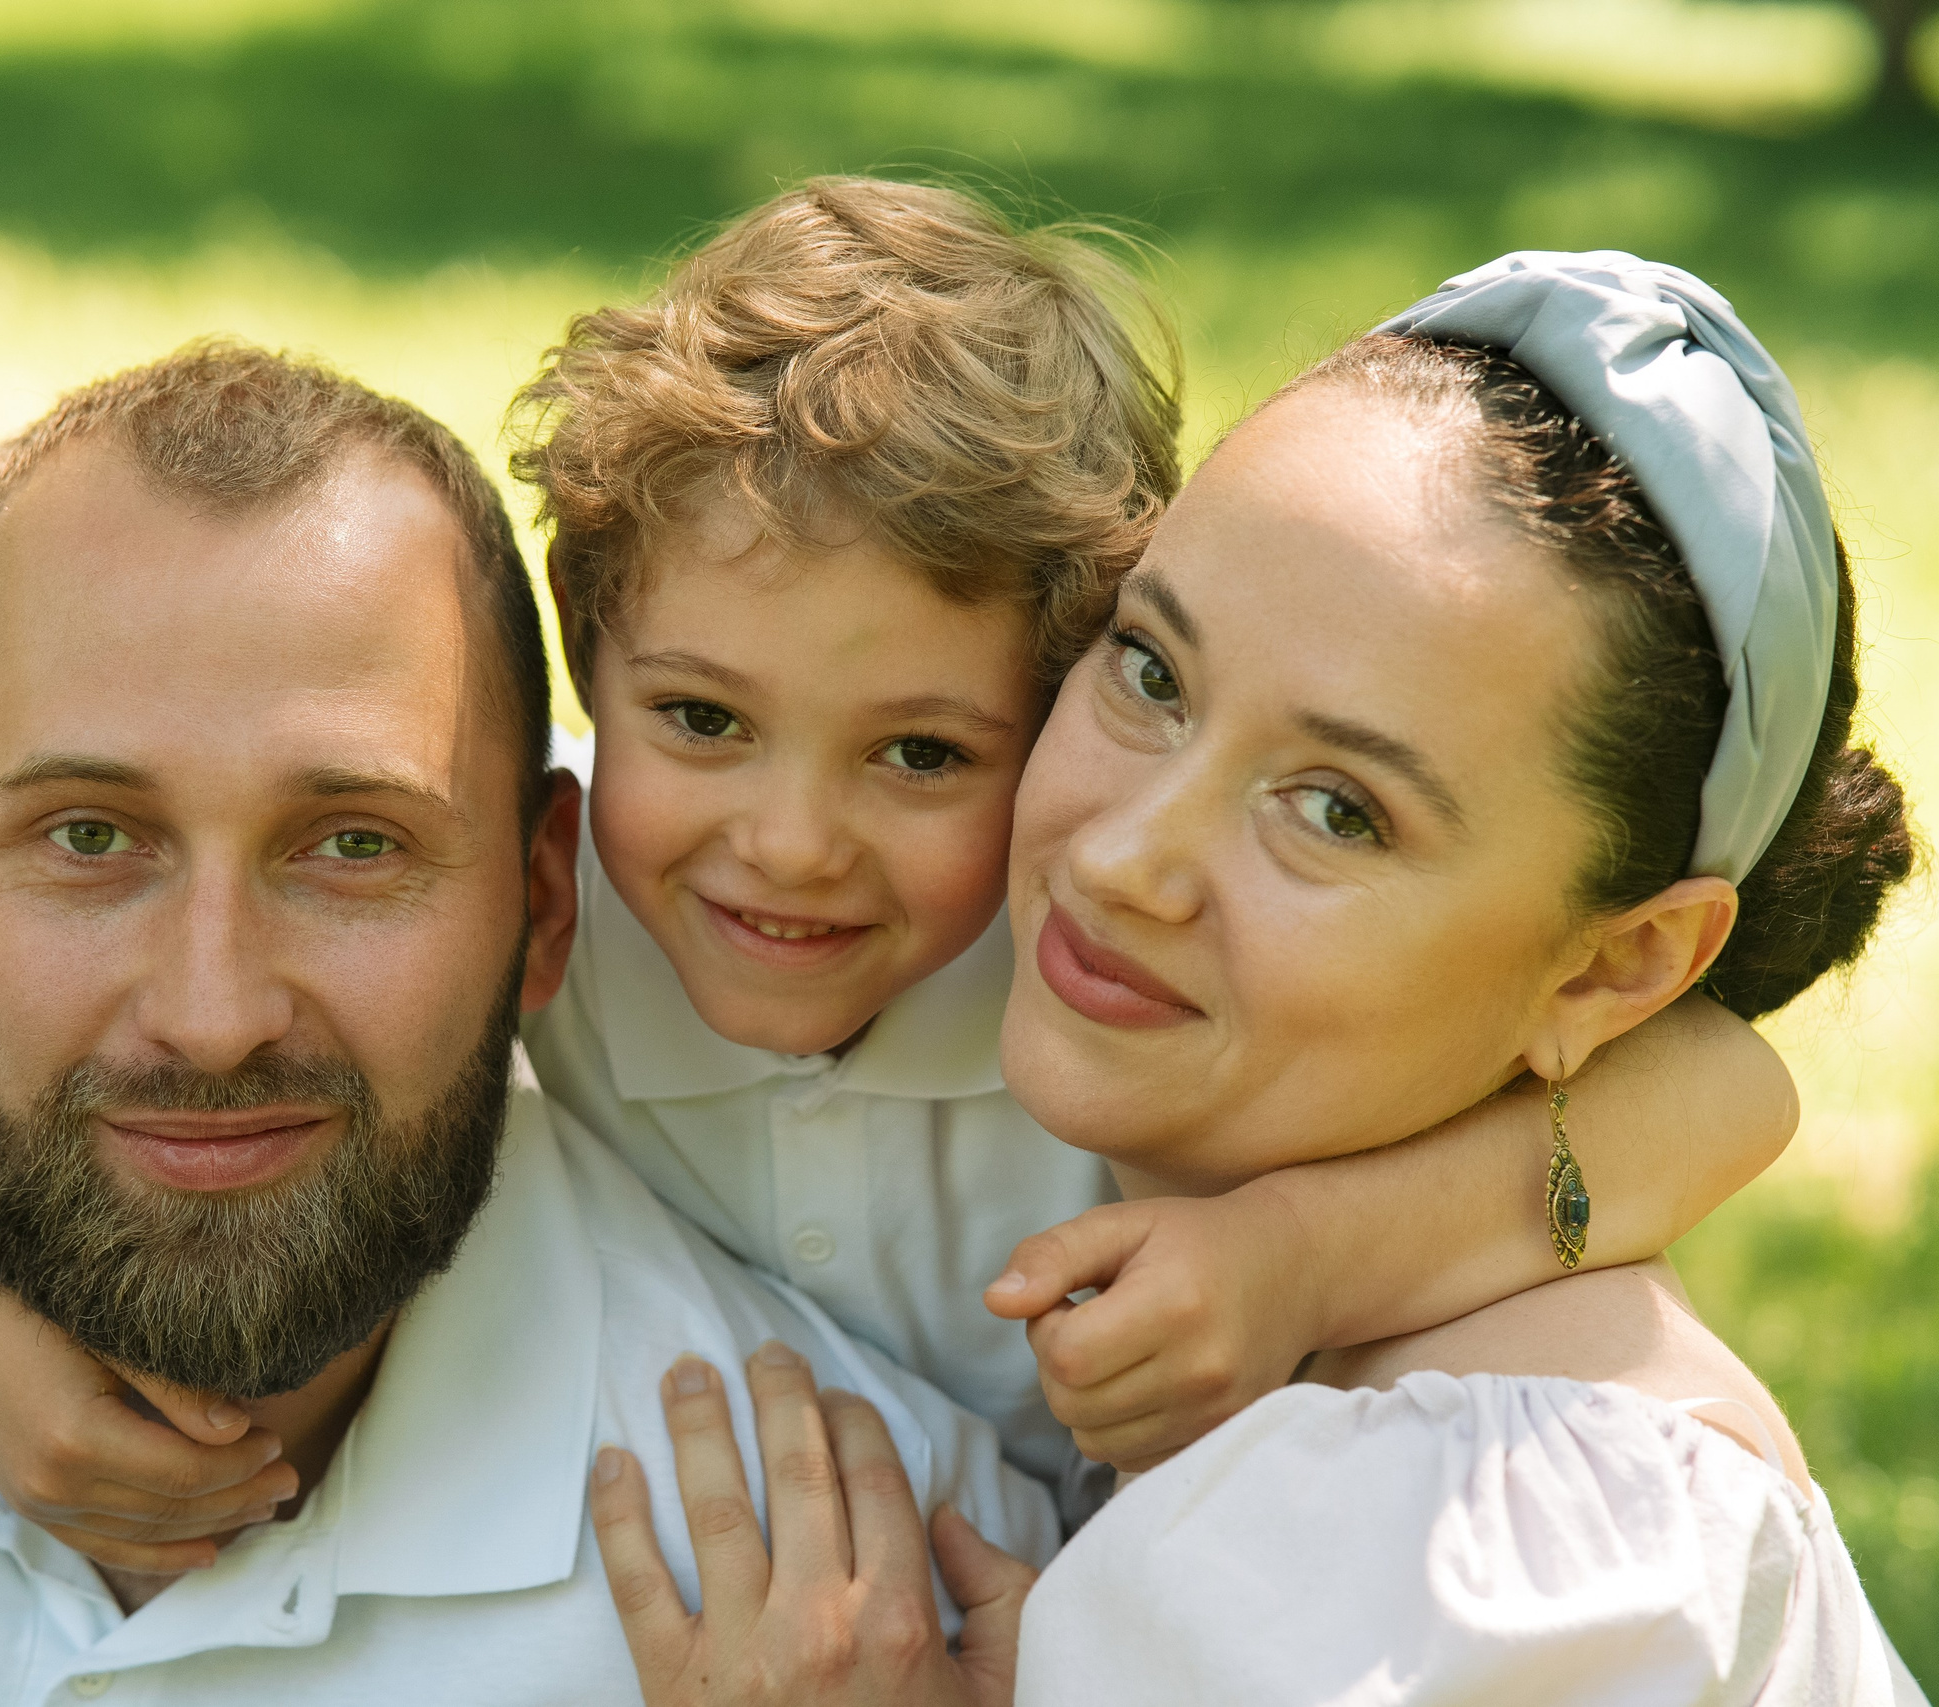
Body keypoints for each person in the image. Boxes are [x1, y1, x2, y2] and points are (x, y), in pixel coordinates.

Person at [0, 180, 1803, 1570]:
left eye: (922, 755)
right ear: (585, 686)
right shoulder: (530, 897)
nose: (783, 839)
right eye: (694, 722)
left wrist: (1299, 1253)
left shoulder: (1103, 978)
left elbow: (1724, 1083)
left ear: (1052, 711)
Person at [0, 342, 1057, 1706]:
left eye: (352, 848)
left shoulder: (872, 1599)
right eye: (89, 840)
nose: (210, 1013)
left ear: (546, 904)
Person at [591, 252, 1928, 1704]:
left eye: (1340, 809)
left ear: (1617, 972)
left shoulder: (1500, 1560)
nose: (1120, 864)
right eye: (1154, 673)